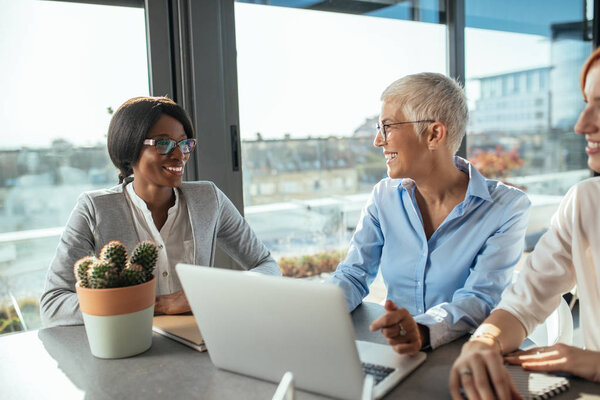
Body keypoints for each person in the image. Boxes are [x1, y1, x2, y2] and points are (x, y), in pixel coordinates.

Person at [326, 72, 531, 353]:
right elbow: (353, 274)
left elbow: (479, 297)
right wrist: (315, 309)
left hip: (471, 355)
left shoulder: (507, 208)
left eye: (387, 126)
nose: (377, 140)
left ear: (434, 134)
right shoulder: (383, 196)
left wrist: (423, 329)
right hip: (398, 352)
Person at [40, 96, 280, 327]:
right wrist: (156, 305)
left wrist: (213, 293)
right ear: (130, 147)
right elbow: (53, 304)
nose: (180, 155)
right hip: (129, 348)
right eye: (164, 143)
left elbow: (266, 265)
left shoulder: (209, 199)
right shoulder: (94, 208)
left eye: (184, 143)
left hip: (201, 342)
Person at [449, 48, 600, 400]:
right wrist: (483, 342)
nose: (581, 124)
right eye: (586, 102)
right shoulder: (585, 203)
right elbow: (522, 305)